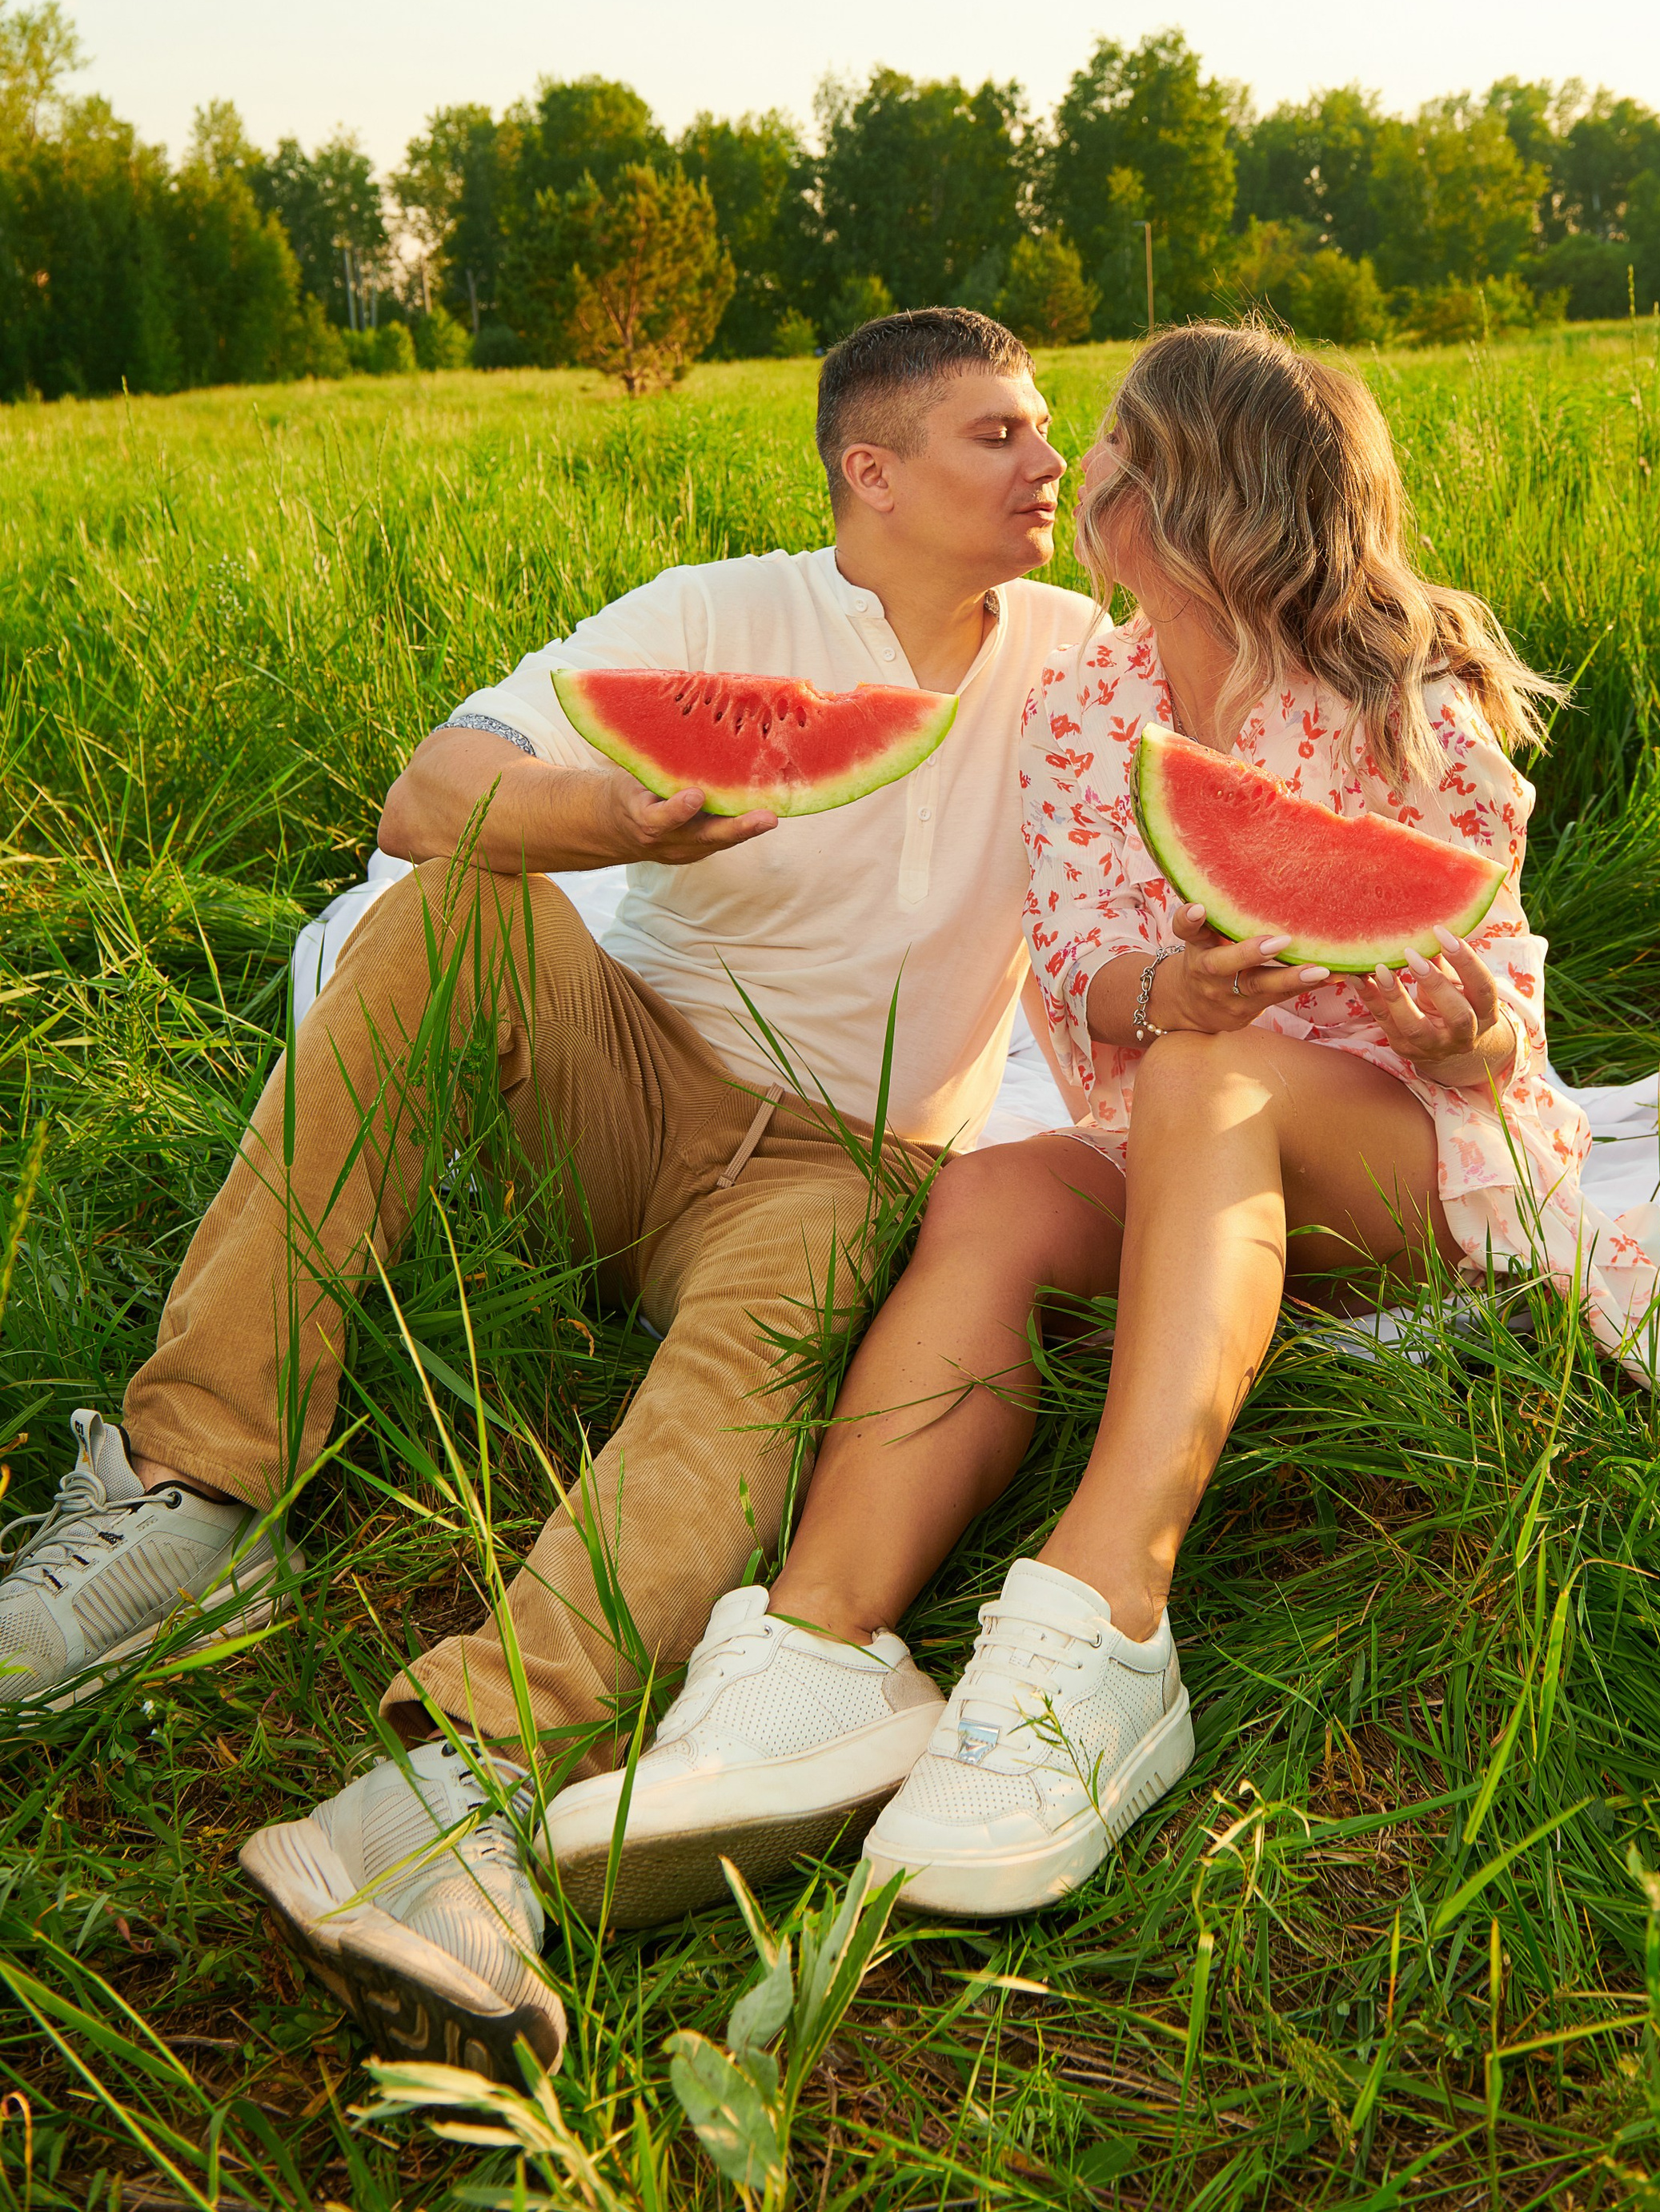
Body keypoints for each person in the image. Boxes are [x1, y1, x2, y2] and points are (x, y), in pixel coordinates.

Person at [0, 307, 1092, 2078]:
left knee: (773, 1337)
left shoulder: (1073, 658)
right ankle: (195, 1494)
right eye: (1000, 435)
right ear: (869, 472)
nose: (1049, 464)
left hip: (840, 1161)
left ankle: (470, 1779)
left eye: (1046, 432)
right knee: (454, 906)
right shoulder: (708, 610)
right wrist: (616, 814)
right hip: (624, 1073)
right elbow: (428, 795)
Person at [563, 321, 1604, 1923]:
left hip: (1412, 1166)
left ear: (1183, 496)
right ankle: (819, 1650)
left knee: (1208, 1076)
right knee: (990, 1200)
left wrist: (1461, 1031)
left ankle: (1102, 1619)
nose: (1069, 464)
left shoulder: (1405, 699)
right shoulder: (1087, 700)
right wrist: (1151, 996)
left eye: (1105, 438)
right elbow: (1078, 972)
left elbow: (1496, 1002)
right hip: (1171, 1160)